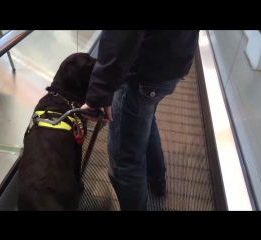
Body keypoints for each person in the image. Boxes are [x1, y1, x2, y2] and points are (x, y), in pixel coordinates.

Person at [81, 30, 200, 211]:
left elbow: (121, 36)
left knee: (124, 164)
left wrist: (100, 92)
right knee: (144, 117)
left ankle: (151, 184)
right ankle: (156, 178)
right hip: (174, 58)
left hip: (143, 70)